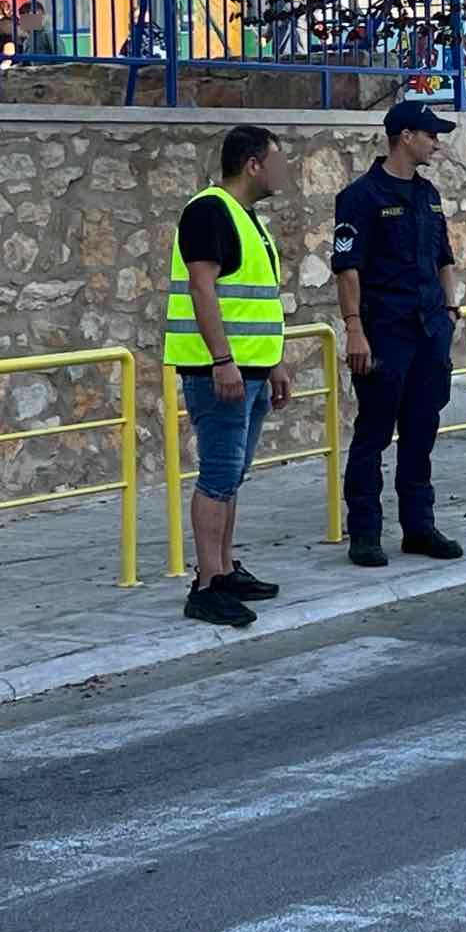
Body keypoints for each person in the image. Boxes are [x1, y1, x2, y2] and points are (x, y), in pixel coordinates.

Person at [163, 125, 292, 626]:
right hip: (219, 371)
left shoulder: (246, 216)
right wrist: (222, 361)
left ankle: (225, 568)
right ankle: (207, 585)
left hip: (251, 370)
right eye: (276, 162)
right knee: (218, 475)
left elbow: (256, 301)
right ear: (252, 165)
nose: (282, 172)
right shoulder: (209, 211)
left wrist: (273, 362)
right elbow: (203, 289)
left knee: (231, 474)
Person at [332, 102, 463, 567]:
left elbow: (443, 257)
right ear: (405, 137)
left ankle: (419, 526)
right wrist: (355, 329)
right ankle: (365, 533)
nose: (436, 144)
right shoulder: (361, 197)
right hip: (385, 331)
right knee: (373, 433)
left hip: (429, 330)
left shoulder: (428, 194)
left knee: (421, 429)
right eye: (430, 135)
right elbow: (348, 268)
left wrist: (450, 308)